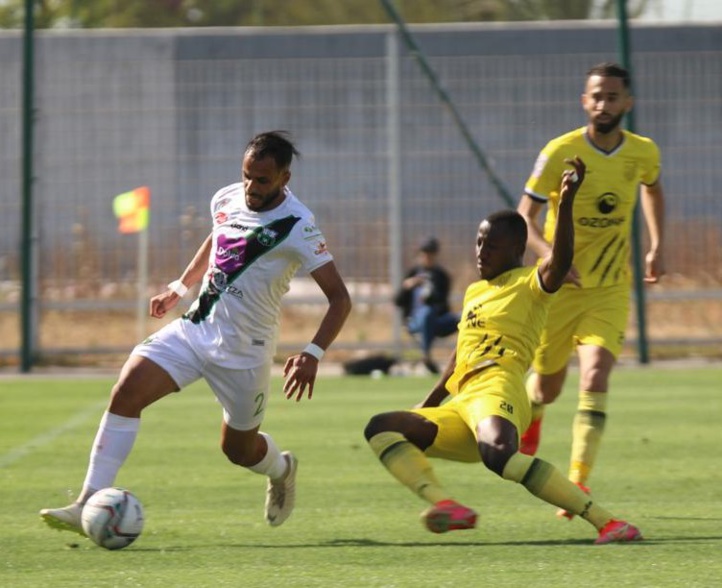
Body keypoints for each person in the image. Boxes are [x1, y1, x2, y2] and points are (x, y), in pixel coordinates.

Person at [40, 130, 352, 535]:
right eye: (246, 176)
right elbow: (217, 236)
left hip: (246, 351)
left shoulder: (299, 226)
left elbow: (340, 299)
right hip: (195, 329)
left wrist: (312, 353)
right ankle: (86, 503)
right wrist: (180, 286)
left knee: (238, 450)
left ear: (284, 179)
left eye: (262, 180)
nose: (251, 188)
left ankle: (282, 468)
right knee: (126, 390)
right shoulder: (226, 197)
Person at [364, 158, 642, 544]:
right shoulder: (475, 291)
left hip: (500, 388)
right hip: (462, 402)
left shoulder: (530, 282)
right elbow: (458, 358)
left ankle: (608, 522)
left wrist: (566, 201)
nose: (481, 252)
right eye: (478, 242)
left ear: (516, 248)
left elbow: (559, 264)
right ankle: (445, 505)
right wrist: (427, 405)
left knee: (499, 457)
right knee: (382, 427)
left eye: (491, 245)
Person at [516, 62, 665, 518]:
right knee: (547, 386)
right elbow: (525, 215)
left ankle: (578, 480)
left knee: (596, 373)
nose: (604, 104)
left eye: (612, 97)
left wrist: (657, 245)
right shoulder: (560, 150)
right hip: (562, 290)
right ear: (585, 101)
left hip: (610, 288)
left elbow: (653, 190)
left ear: (627, 103)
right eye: (596, 96)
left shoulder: (642, 152)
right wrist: (550, 258)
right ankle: (534, 413)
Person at [393, 237, 460, 374]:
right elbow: (397, 301)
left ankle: (466, 358)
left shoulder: (441, 276)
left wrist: (432, 296)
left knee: (465, 317)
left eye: (430, 253)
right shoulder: (413, 273)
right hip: (415, 322)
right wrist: (408, 286)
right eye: (424, 253)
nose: (427, 257)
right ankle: (426, 356)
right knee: (426, 313)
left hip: (438, 321)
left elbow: (444, 304)